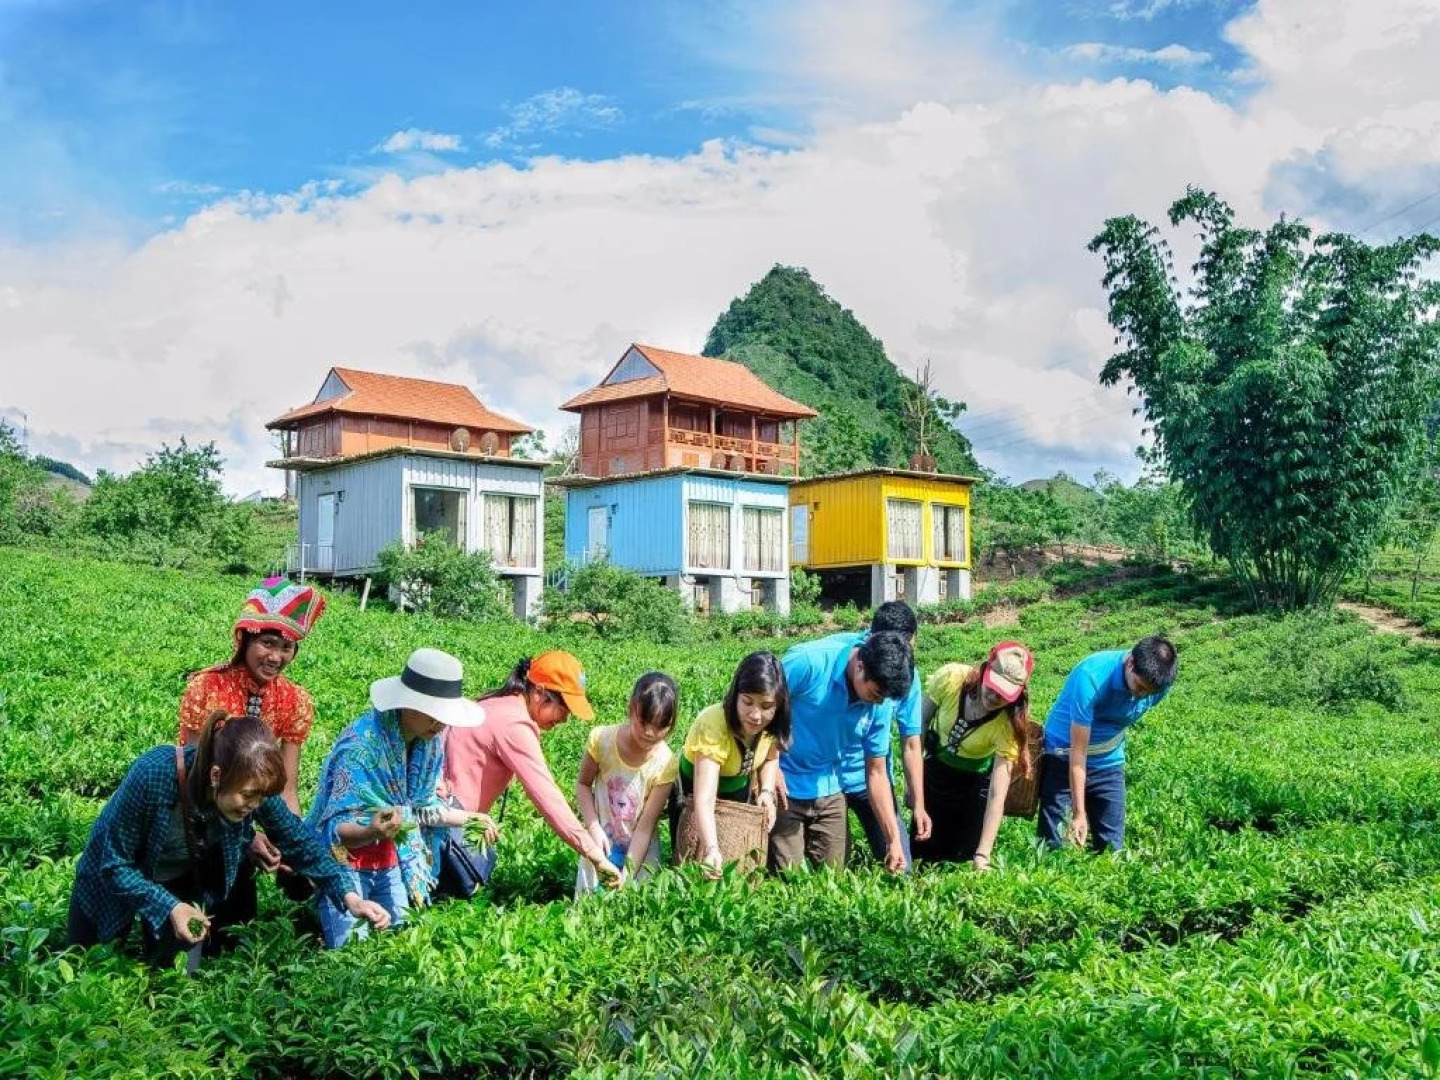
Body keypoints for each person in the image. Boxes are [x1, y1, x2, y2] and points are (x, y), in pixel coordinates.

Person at [68, 710, 388, 969]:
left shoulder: (255, 785)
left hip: (178, 877)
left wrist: (349, 896)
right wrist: (169, 907)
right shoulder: (154, 774)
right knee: (91, 965)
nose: (255, 805)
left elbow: (300, 841)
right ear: (217, 775)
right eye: (248, 795)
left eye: (262, 797)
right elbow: (114, 865)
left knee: (173, 975)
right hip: (110, 880)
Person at [306, 647, 494, 948]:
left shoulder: (428, 744)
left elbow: (418, 810)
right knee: (352, 948)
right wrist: (370, 831)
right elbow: (334, 830)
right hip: (344, 864)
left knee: (398, 945)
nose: (440, 723)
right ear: (407, 704)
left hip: (387, 860)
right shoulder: (361, 748)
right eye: (433, 714)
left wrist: (468, 818)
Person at [178, 576, 326, 910]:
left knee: (239, 924)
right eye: (268, 644)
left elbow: (285, 787)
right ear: (245, 640)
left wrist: (287, 841)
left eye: (286, 647)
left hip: (244, 811)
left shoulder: (295, 701)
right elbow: (192, 775)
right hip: (199, 821)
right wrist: (247, 837)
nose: (276, 657)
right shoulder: (206, 687)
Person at [443, 651, 622, 889]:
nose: (565, 720)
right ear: (539, 693)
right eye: (564, 709)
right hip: (444, 825)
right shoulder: (513, 724)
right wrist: (595, 856)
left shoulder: (498, 704)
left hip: (446, 818)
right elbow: (547, 797)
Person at [769, 630, 914, 874]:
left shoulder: (880, 703)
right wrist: (769, 765)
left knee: (834, 876)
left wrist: (893, 840)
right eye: (876, 694)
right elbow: (760, 711)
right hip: (784, 784)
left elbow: (877, 773)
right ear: (860, 666)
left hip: (830, 787)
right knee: (788, 877)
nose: (878, 703)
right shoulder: (807, 662)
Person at [1037, 635, 1178, 853]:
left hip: (1108, 759)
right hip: (1064, 754)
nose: (1141, 696)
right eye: (1139, 687)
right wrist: (1078, 813)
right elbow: (1078, 752)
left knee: (1112, 849)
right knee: (1055, 843)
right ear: (1130, 663)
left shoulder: (1160, 686)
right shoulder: (1092, 676)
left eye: (1149, 693)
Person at [910, 641, 1035, 871]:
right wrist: (913, 787)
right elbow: (918, 726)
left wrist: (982, 854)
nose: (995, 696)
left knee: (961, 859)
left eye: (1004, 694)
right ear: (985, 669)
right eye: (993, 687)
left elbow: (997, 793)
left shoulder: (1009, 724)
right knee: (921, 855)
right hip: (935, 775)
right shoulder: (951, 678)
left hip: (974, 787)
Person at [672, 652, 791, 875]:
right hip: (693, 791)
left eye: (766, 706)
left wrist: (765, 791)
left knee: (736, 858)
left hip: (737, 784)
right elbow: (704, 798)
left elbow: (770, 758)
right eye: (748, 702)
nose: (756, 715)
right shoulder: (714, 723)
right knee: (694, 858)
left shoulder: (773, 725)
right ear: (736, 695)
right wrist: (711, 848)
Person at [836, 602, 928, 871]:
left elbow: (910, 743)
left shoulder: (907, 675)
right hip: (826, 779)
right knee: (831, 869)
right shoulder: (845, 656)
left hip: (872, 778)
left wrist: (918, 803)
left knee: (901, 868)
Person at [574, 673, 679, 894]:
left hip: (640, 852)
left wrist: (628, 874)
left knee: (633, 908)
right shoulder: (601, 740)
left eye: (661, 727)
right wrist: (593, 827)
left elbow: (646, 825)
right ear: (631, 709)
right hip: (601, 840)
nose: (650, 733)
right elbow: (583, 785)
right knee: (590, 908)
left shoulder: (666, 763)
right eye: (643, 723)